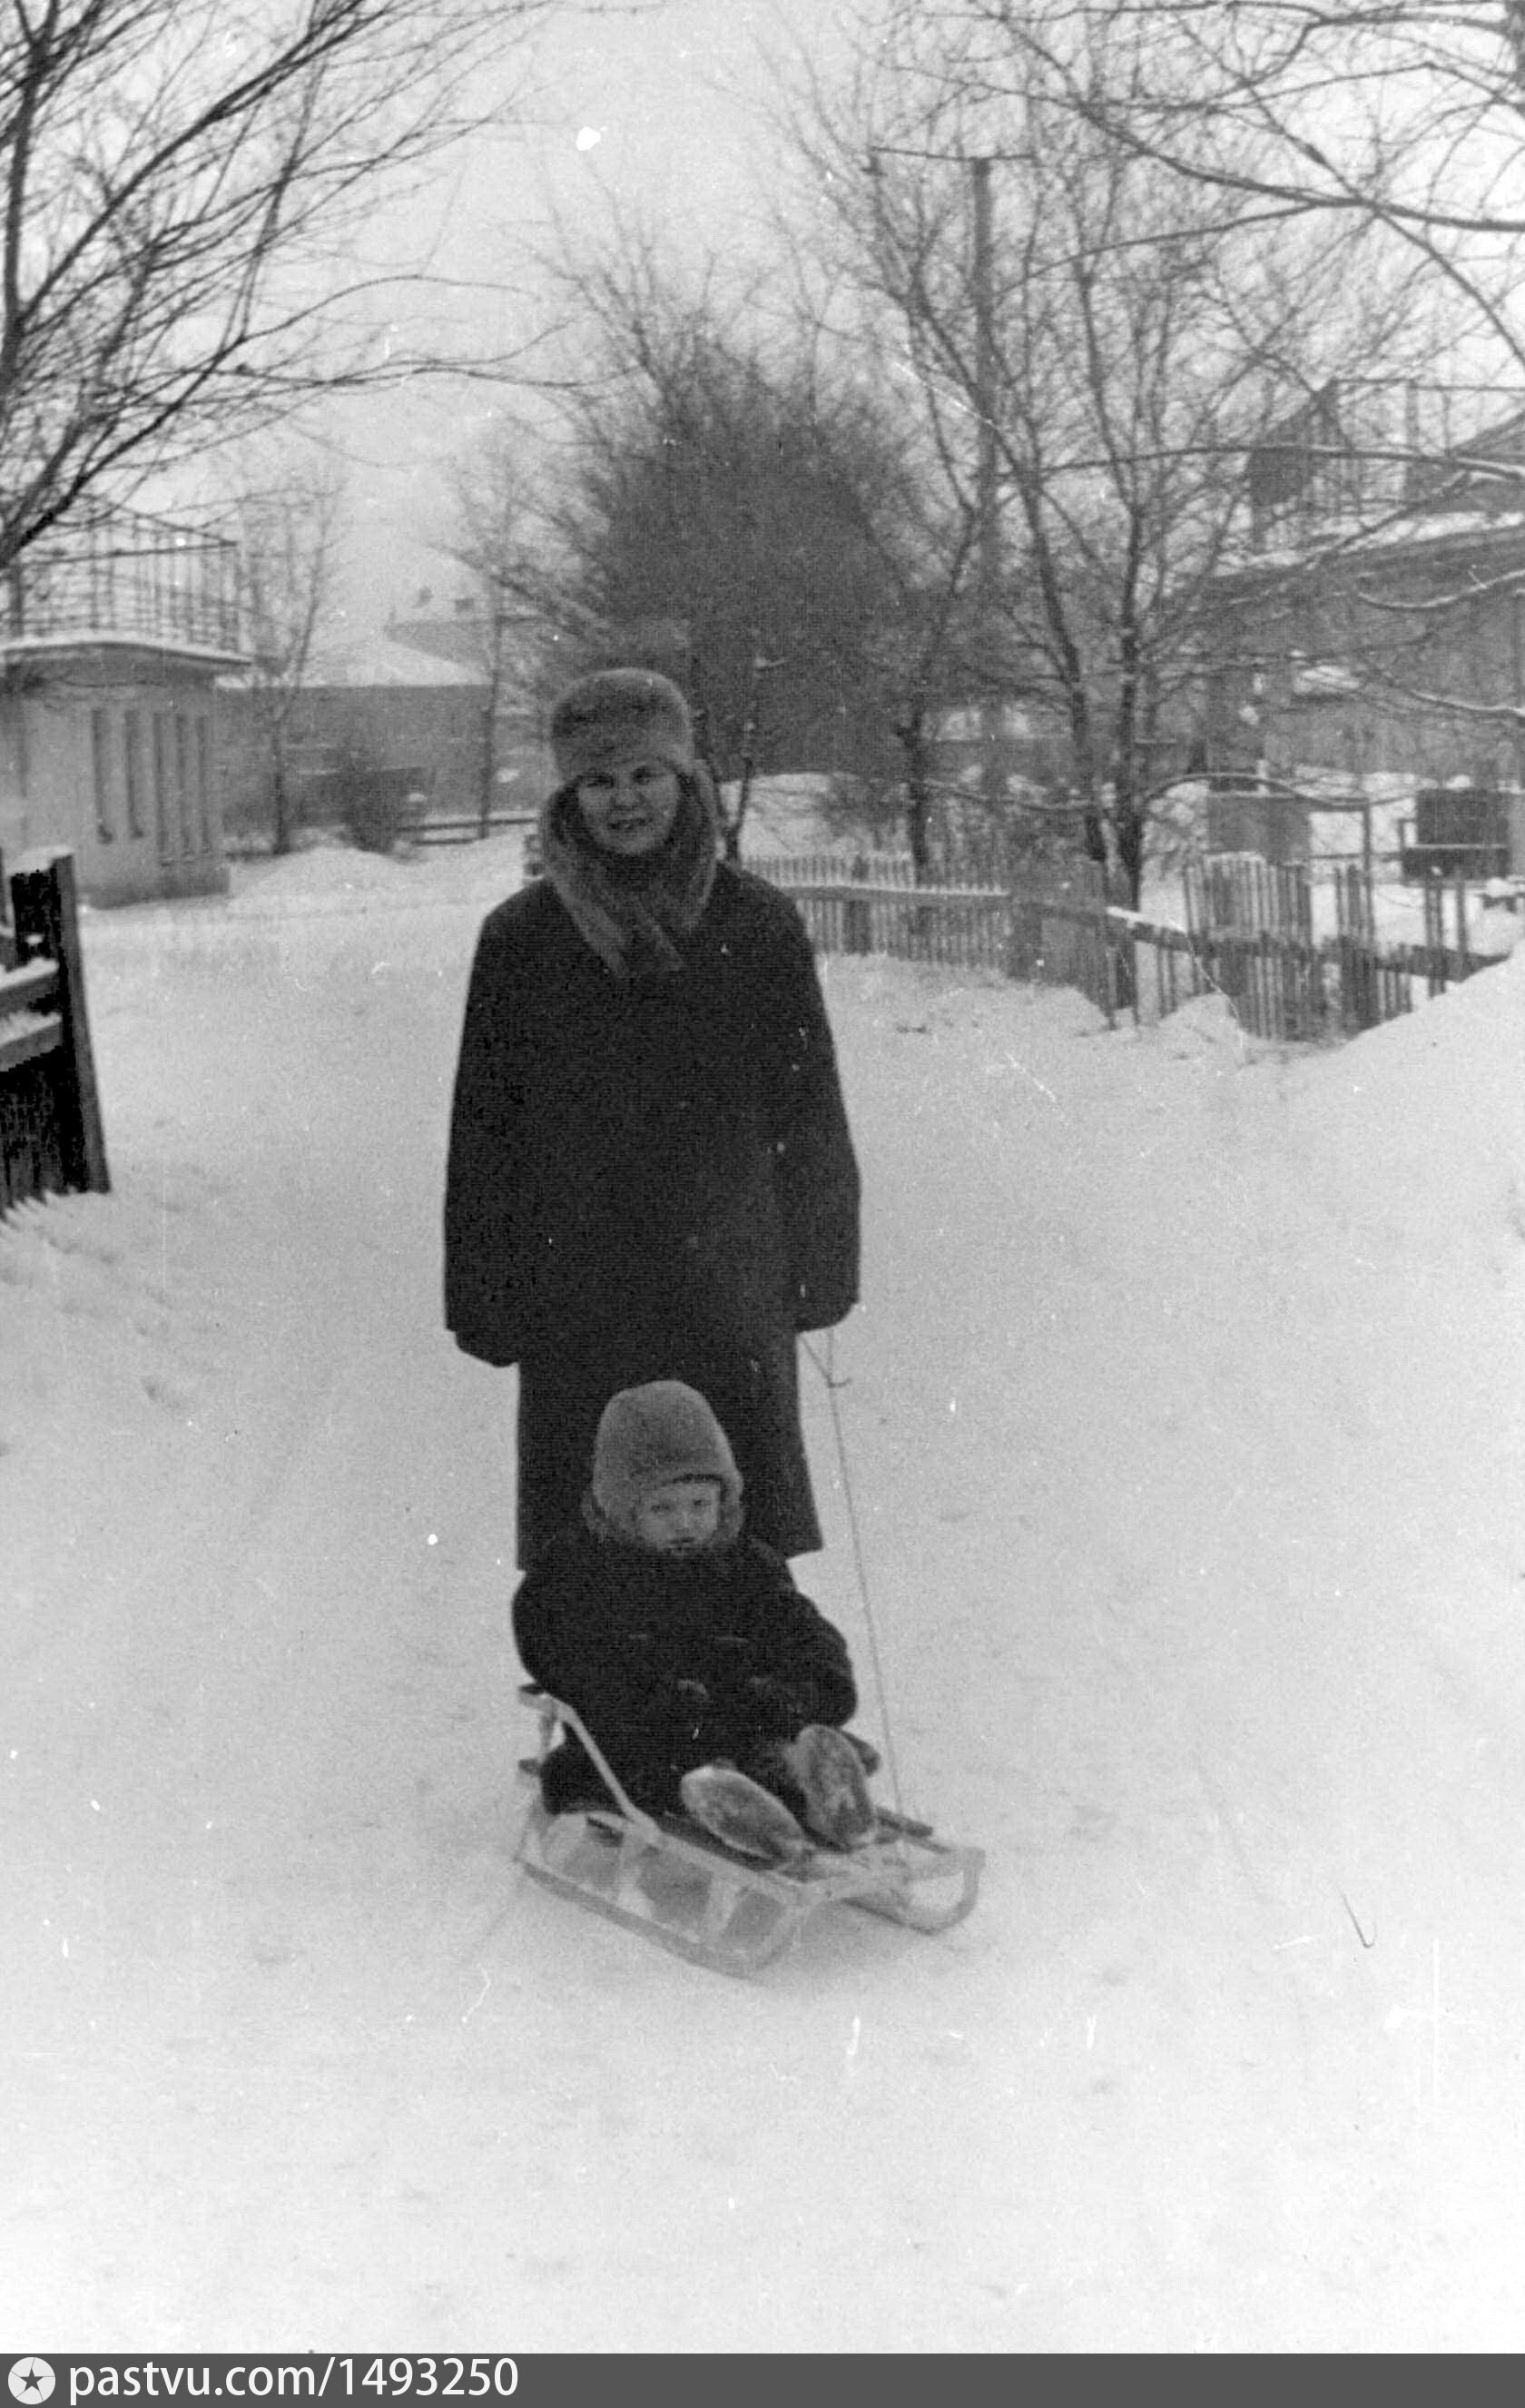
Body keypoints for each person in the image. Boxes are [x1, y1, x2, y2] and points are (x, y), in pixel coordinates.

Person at [444, 666, 861, 1568]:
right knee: (589, 1548)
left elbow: (808, 1112)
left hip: (728, 1280)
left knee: (738, 1541)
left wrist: (823, 1258)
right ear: (569, 796)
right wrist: (483, 1289)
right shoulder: (521, 941)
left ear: (686, 779)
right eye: (598, 780)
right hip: (578, 1285)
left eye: (645, 774)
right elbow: (484, 1131)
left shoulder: (758, 926)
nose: (624, 799)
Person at [512, 1380, 879, 1862]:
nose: (684, 1523)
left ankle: (806, 1775)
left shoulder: (746, 1565)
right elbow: (567, 1656)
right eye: (662, 1508)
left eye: (700, 1505)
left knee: (770, 1743)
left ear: (723, 1500)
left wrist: (808, 1688)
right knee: (652, 1765)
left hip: (742, 1720)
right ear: (622, 1509)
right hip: (639, 1735)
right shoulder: (580, 1573)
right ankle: (722, 1796)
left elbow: (801, 1632)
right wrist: (656, 1702)